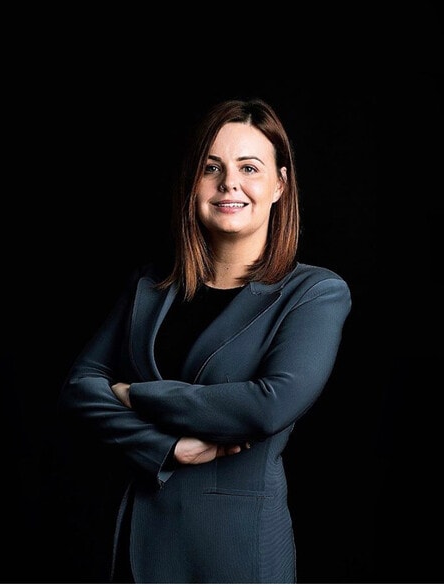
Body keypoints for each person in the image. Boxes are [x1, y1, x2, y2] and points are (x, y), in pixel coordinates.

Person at [56, 97, 352, 583]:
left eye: (249, 168)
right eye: (211, 167)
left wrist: (135, 394)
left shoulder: (314, 292)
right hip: (131, 548)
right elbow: (79, 387)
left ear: (279, 185)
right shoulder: (150, 285)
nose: (229, 183)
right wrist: (167, 447)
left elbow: (267, 405)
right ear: (193, 182)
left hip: (232, 555)